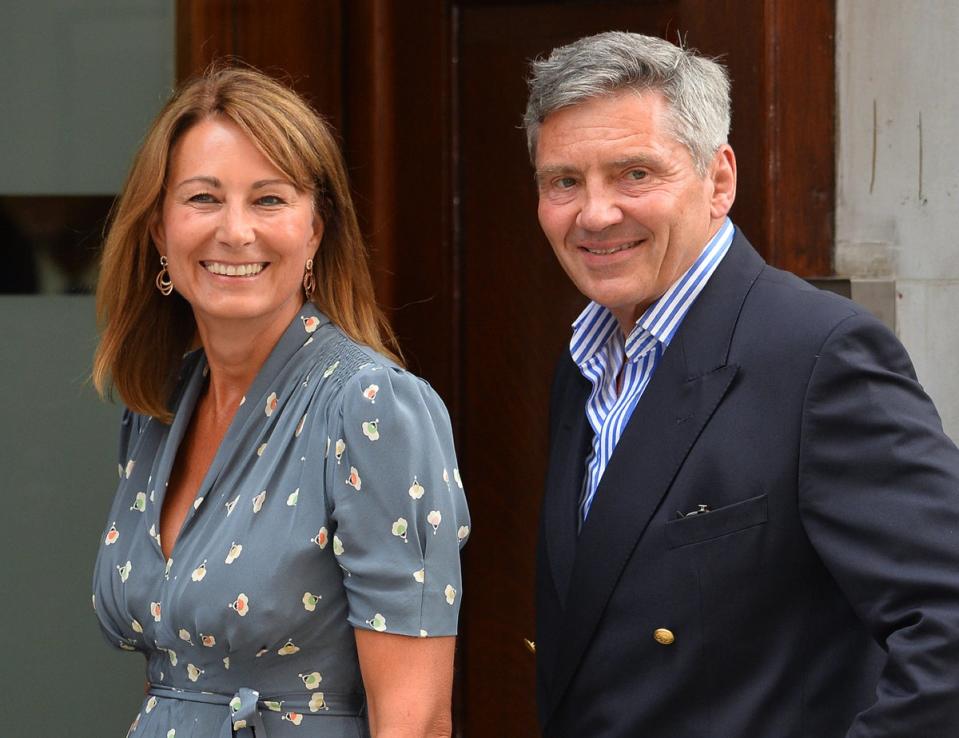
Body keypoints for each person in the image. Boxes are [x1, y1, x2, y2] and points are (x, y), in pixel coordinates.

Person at [526, 31, 959, 737]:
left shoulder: (817, 354)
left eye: (634, 174)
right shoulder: (585, 361)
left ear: (718, 180)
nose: (594, 215)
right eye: (564, 181)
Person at [91, 67, 469, 738]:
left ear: (315, 231)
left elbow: (415, 715)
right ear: (158, 230)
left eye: (268, 200)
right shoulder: (158, 408)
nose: (235, 232)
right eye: (203, 198)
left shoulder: (370, 407)